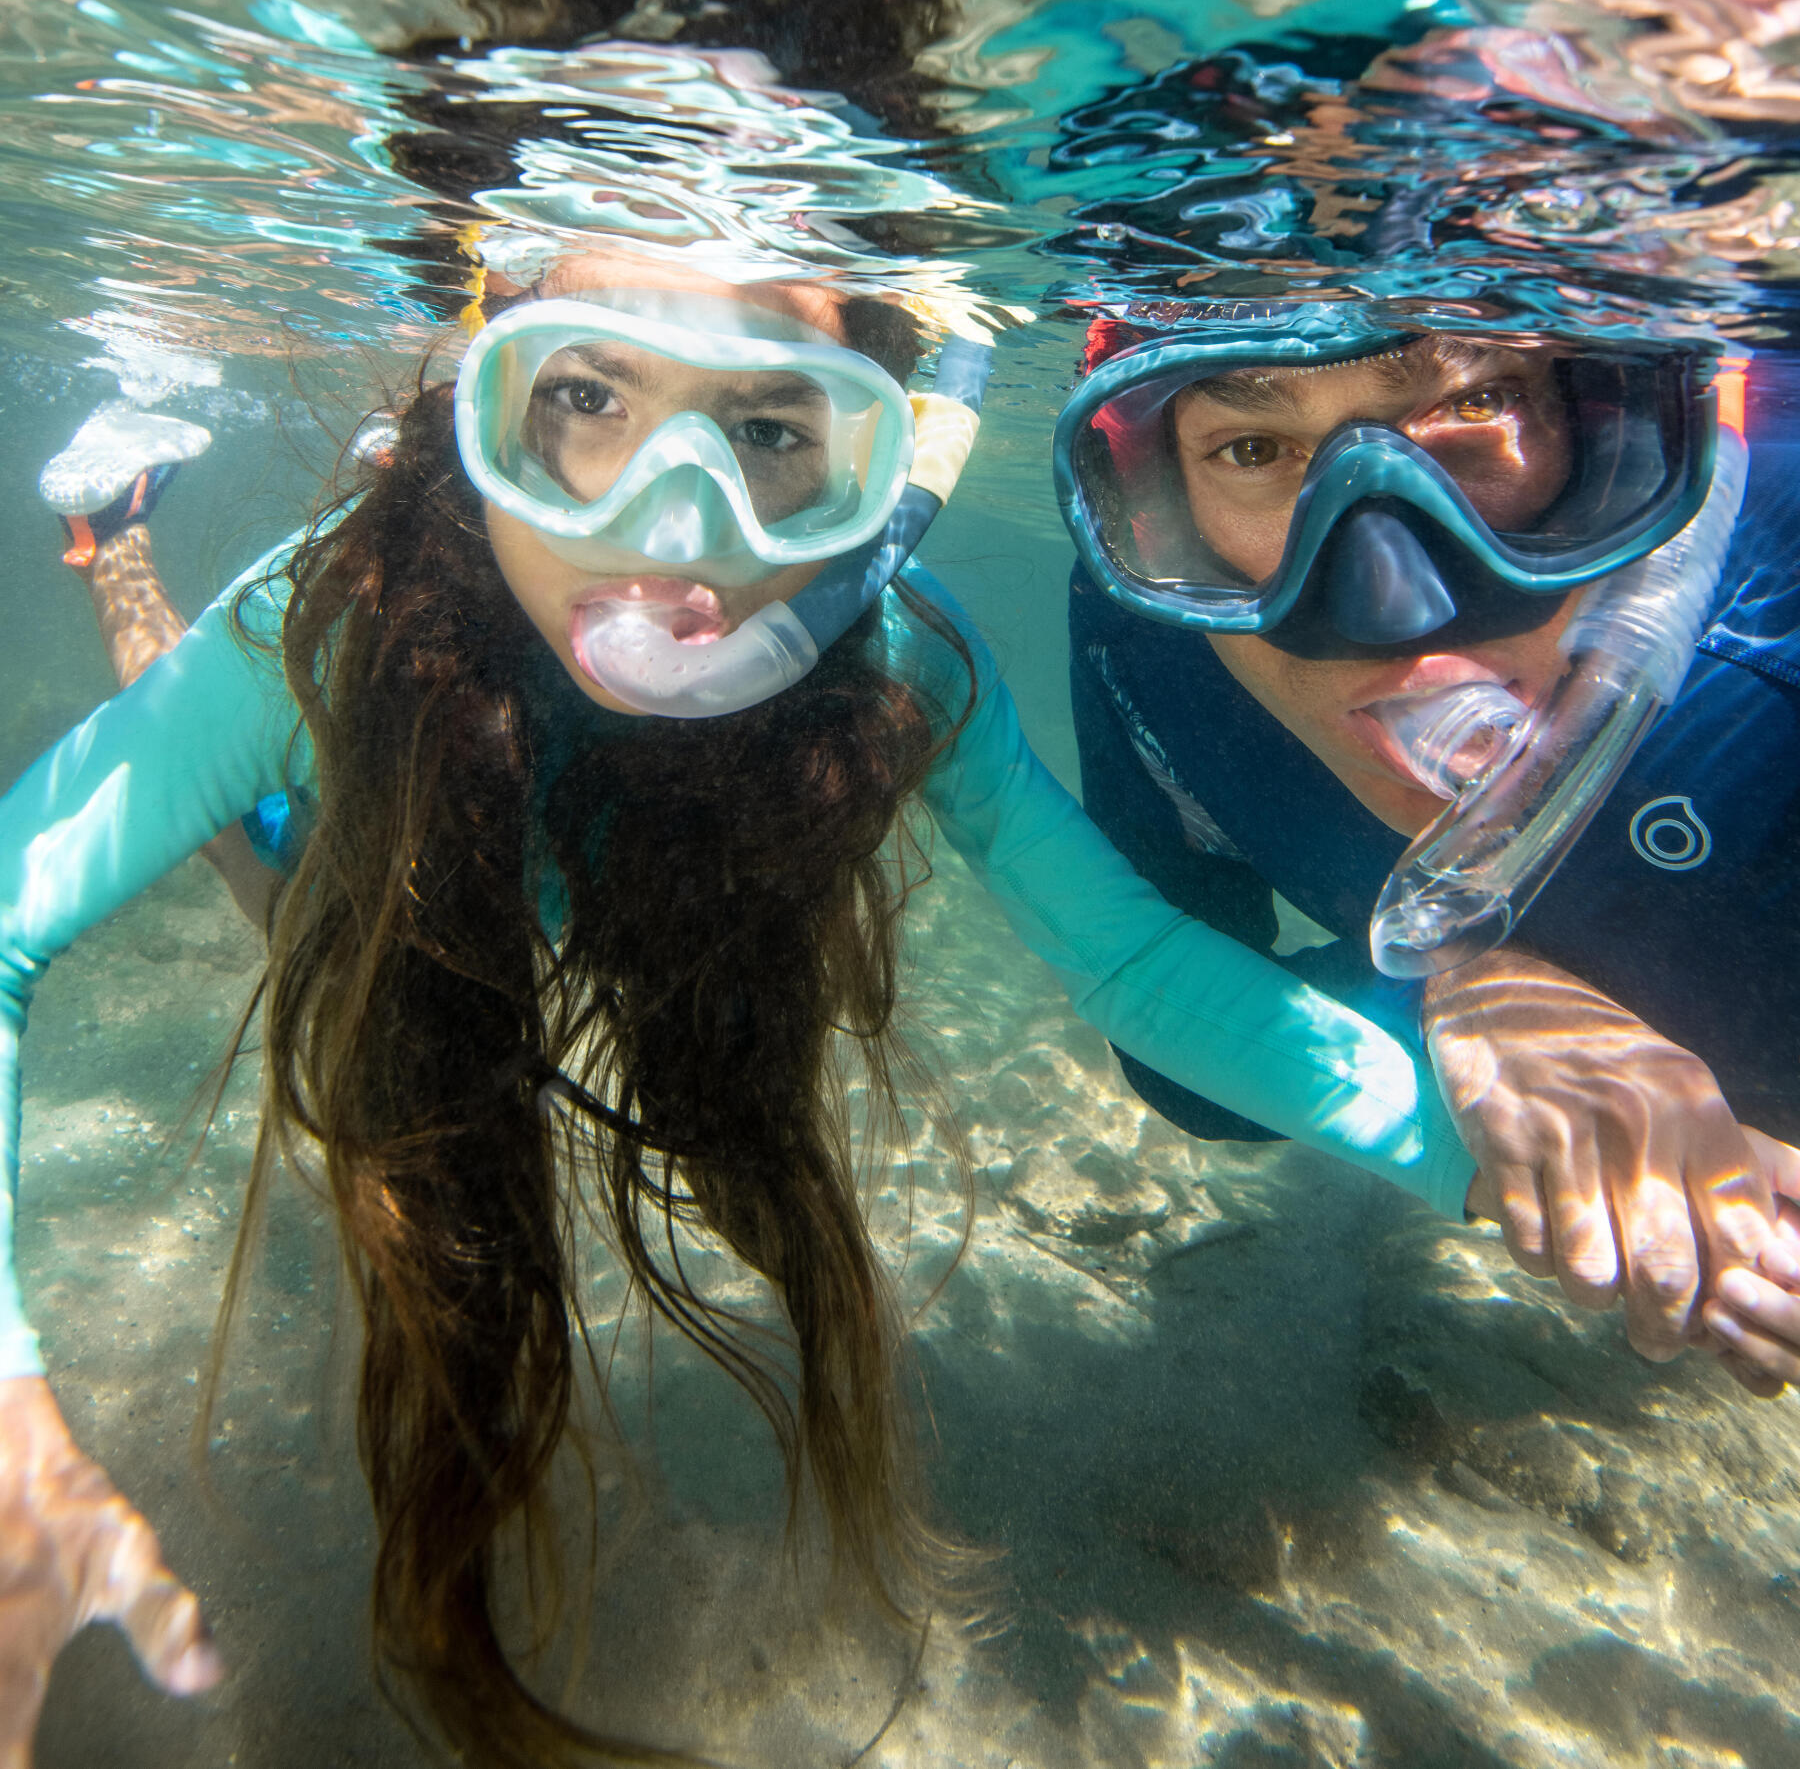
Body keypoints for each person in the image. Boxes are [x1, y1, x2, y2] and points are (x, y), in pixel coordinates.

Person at [0, 245, 1509, 1767]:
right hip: (388, 809)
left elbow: (1136, 968)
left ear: (868, 456)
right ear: (487, 410)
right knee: (272, 877)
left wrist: (1491, 1163)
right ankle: (113, 533)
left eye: (778, 432)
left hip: (563, 826)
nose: (674, 528)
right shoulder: (343, 610)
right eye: (583, 397)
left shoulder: (894, 652)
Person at [1056, 299, 1800, 1393]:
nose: (1392, 605)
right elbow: (1190, 1064)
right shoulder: (1156, 641)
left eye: (1479, 403)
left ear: (1616, 439)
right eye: (1254, 448)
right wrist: (1461, 983)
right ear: (1162, 513)